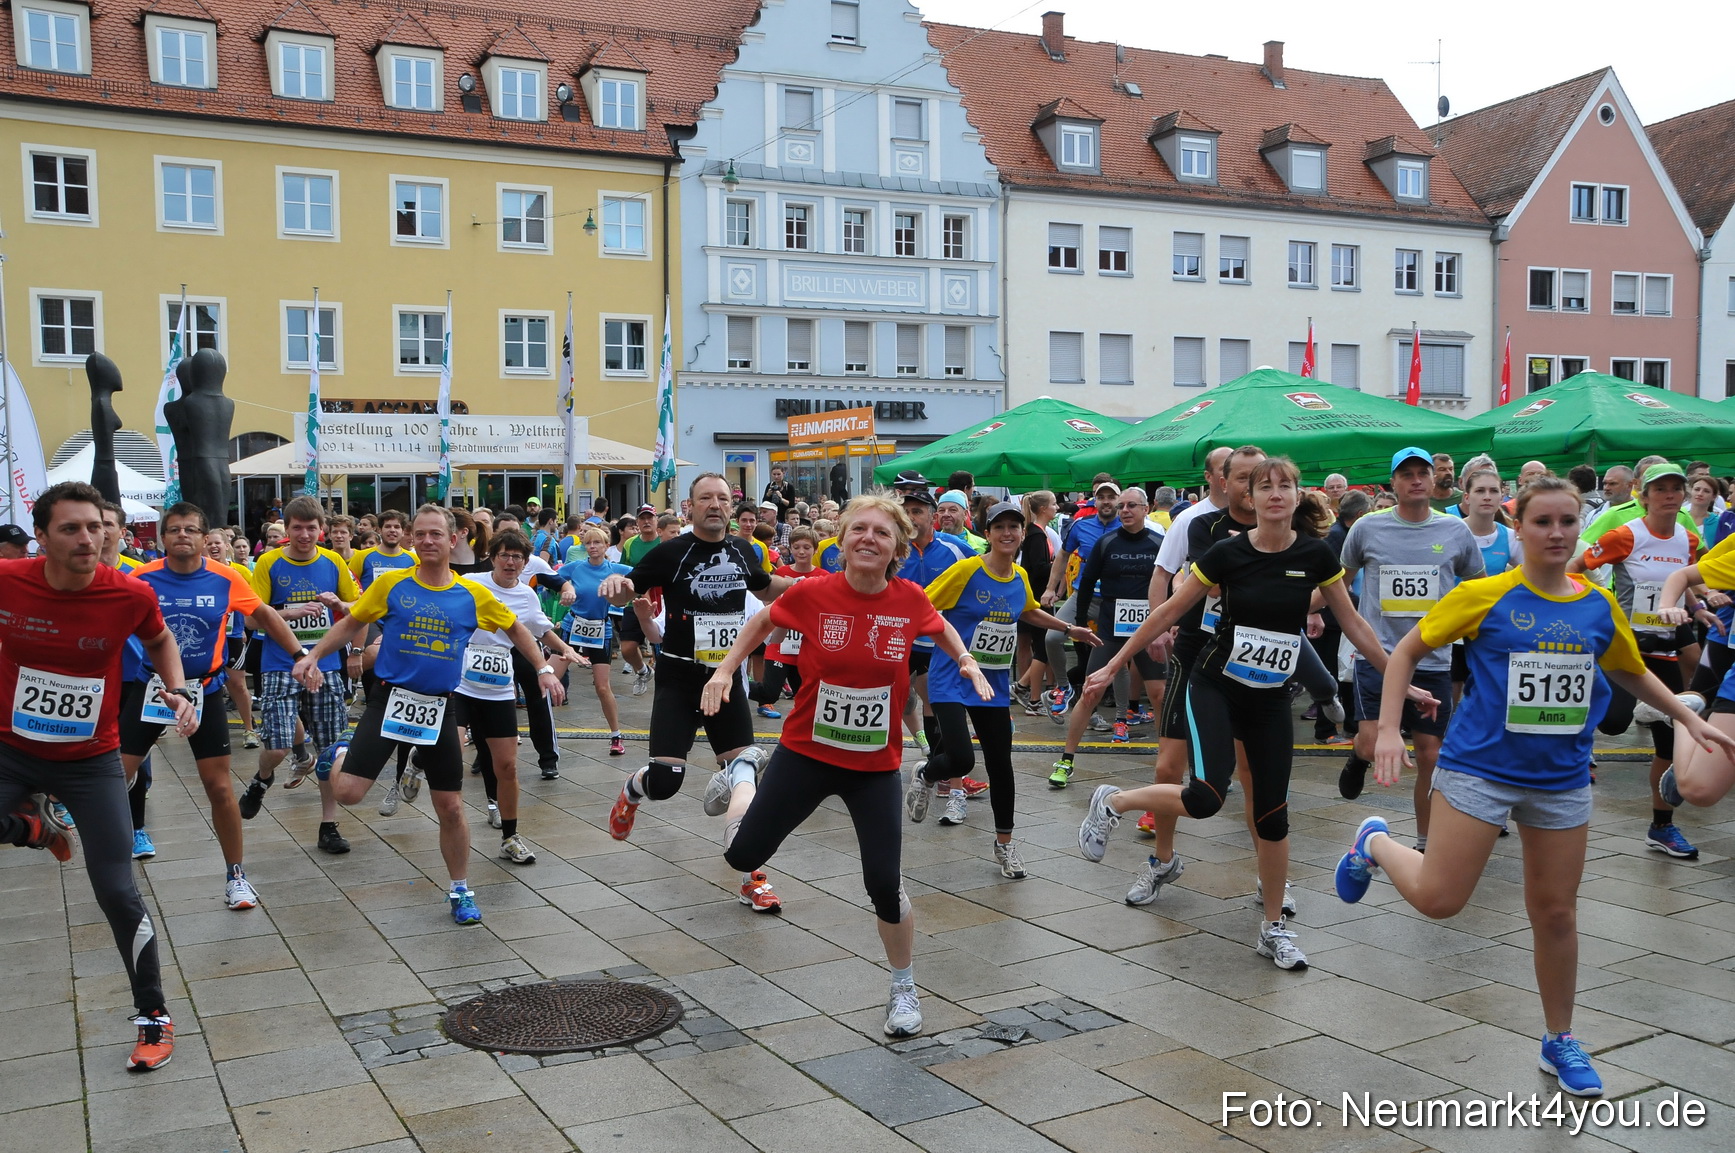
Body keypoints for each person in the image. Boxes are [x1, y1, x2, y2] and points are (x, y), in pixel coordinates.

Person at [1335, 475, 1734, 1097]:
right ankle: (1376, 844)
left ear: (1581, 527)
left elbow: (1630, 672)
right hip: (1478, 771)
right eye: (1542, 522)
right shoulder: (1484, 594)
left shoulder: (1597, 606)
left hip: (1561, 779)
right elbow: (1408, 650)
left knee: (1555, 914)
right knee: (1441, 902)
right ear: (1518, 529)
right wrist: (1389, 729)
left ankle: (1560, 1038)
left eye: (1567, 522)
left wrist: (1689, 716)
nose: (1555, 533)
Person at [1079, 457, 1427, 970]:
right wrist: (1112, 665)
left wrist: (1404, 680)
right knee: (1205, 796)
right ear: (1253, 498)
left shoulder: (1314, 554)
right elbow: (1168, 611)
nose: (1275, 494)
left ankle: (1273, 928)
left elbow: (1354, 625)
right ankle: (1116, 801)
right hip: (1214, 685)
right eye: (1265, 487)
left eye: (1285, 485)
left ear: (1296, 494)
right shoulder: (1225, 552)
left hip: (1270, 698)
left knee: (1273, 815)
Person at [700, 493, 991, 1038]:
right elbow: (763, 621)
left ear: (896, 547)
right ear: (843, 540)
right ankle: (742, 775)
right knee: (742, 857)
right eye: (859, 529)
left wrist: (966, 659)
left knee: (883, 882)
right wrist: (725, 670)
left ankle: (903, 988)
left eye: (882, 533)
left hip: (874, 766)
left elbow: (941, 626)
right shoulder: (814, 592)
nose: (868, 539)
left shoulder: (908, 599)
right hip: (806, 754)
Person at [0, 481, 199, 1070]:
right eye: (71, 528)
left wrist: (179, 689)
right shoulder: (8, 581)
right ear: (41, 537)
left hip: (91, 761)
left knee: (117, 891)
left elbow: (161, 641)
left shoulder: (127, 594)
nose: (89, 537)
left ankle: (154, 1018)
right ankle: (36, 831)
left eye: (96, 526)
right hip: (10, 749)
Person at [296, 505, 565, 923]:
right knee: (348, 793)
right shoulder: (391, 584)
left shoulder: (472, 595)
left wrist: (545, 669)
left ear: (453, 538)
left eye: (435, 534)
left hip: (441, 705)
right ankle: (338, 755)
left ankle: (460, 890)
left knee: (451, 807)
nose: (427, 541)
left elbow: (516, 629)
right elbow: (353, 623)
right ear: (409, 538)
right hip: (390, 697)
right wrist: (313, 655)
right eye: (419, 534)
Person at [597, 473, 797, 911]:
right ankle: (633, 790)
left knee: (745, 770)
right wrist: (618, 587)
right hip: (680, 679)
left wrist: (814, 585)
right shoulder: (672, 551)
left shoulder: (744, 549)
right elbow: (632, 584)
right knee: (667, 783)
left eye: (722, 498)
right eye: (705, 498)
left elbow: (766, 588)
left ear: (732, 506)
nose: (715, 505)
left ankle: (753, 877)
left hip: (724, 680)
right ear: (690, 507)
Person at [122, 503, 303, 908]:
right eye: (173, 530)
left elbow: (267, 616)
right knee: (117, 777)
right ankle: (114, 866)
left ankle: (236, 876)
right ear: (161, 539)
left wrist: (299, 657)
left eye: (190, 529)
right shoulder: (141, 578)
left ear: (206, 538)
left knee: (219, 786)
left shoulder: (226, 577)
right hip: (150, 687)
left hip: (202, 690)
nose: (181, 535)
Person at [909, 501, 1098, 865]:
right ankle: (928, 773)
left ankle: (1005, 844)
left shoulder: (1020, 576)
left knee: (1000, 764)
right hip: (952, 673)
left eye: (1014, 527)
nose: (1007, 533)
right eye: (999, 527)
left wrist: (1066, 627)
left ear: (1023, 534)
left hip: (992, 682)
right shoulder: (966, 570)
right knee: (961, 758)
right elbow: (922, 603)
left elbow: (1027, 609)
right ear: (987, 533)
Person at [1336, 448, 1485, 858]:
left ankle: (1426, 843)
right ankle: (1359, 758)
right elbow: (1340, 584)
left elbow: (1477, 587)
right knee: (1370, 743)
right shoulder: (1367, 528)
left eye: (1423, 473)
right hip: (1377, 656)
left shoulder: (1455, 532)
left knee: (1430, 755)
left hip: (1433, 661)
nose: (1416, 480)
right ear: (1393, 483)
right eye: (1407, 474)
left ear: (1434, 481)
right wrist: (1313, 612)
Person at [1570, 462, 1711, 859]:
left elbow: (1683, 583)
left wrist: (1699, 607)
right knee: (1614, 724)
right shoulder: (1626, 534)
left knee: (1671, 738)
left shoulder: (1687, 537)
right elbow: (1576, 567)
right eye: (1660, 489)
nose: (1670, 495)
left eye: (1675, 488)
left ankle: (1662, 827)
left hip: (1666, 646)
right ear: (1642, 495)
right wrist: (1590, 607)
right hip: (1626, 645)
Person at [239, 497, 361, 853]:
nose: (305, 535)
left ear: (320, 529)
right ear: (285, 529)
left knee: (330, 750)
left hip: (327, 666)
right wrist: (287, 613)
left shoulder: (334, 561)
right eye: (297, 528)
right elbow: (249, 617)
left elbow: (359, 607)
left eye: (311, 528)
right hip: (281, 663)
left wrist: (341, 606)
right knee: (276, 747)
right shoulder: (269, 562)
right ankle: (262, 780)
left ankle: (329, 825)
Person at [457, 529, 585, 863]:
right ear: (493, 557)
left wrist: (567, 650)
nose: (511, 562)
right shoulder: (472, 583)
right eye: (505, 555)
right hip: (461, 682)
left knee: (507, 765)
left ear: (525, 562)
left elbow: (540, 630)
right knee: (451, 746)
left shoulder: (527, 597)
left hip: (498, 685)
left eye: (517, 557)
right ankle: (420, 760)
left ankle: (510, 836)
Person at [1053, 487, 1166, 773]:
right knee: (1091, 690)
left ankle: (1169, 764)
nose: (1125, 510)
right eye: (1121, 506)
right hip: (1110, 628)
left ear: (1145, 509)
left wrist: (1169, 625)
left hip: (1147, 629)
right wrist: (1080, 623)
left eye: (1131, 506)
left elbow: (1172, 585)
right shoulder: (1107, 543)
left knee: (1160, 695)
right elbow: (1087, 583)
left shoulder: (1159, 542)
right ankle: (1066, 760)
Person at [1040, 478, 1123, 719]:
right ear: (1094, 500)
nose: (1106, 502)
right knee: (1052, 637)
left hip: (1113, 602)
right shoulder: (1081, 525)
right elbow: (1062, 556)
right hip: (1081, 597)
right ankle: (1064, 687)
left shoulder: (1127, 526)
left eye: (1111, 497)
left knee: (1117, 658)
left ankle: (1122, 717)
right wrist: (1050, 588)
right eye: (1101, 497)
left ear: (1118, 500)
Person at [556, 526, 634, 756]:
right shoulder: (576, 567)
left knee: (602, 687)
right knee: (549, 677)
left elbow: (640, 576)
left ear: (606, 545)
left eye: (597, 543)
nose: (592, 547)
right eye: (588, 543)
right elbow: (551, 578)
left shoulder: (615, 568)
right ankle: (540, 732)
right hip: (573, 626)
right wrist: (565, 590)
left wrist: (624, 582)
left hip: (600, 629)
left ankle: (616, 735)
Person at [748, 526, 819, 712]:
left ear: (815, 549)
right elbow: (768, 604)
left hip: (806, 647)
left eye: (806, 547)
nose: (801, 552)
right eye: (796, 547)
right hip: (781, 644)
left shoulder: (823, 577)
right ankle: (736, 685)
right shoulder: (781, 574)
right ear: (790, 548)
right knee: (769, 693)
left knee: (805, 696)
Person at [206, 528, 259, 747]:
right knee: (206, 684)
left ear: (227, 546)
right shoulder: (201, 572)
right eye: (209, 544)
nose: (214, 547)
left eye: (217, 543)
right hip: (208, 637)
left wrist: (247, 633)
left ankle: (249, 729)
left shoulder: (241, 572)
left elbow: (254, 606)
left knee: (237, 684)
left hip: (232, 636)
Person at [1012, 491, 1061, 713]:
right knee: (1042, 648)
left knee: (1042, 647)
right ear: (1043, 509)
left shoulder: (1037, 534)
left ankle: (1024, 688)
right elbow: (1038, 568)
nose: (1057, 507)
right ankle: (1031, 697)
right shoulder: (1036, 535)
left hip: (1037, 597)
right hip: (1038, 598)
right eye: (1054, 504)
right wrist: (1061, 566)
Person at [617, 506, 663, 694]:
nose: (646, 521)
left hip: (660, 602)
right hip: (634, 601)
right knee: (627, 648)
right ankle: (643, 671)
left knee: (661, 649)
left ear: (656, 521)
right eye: (642, 518)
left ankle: (666, 688)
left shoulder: (664, 542)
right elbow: (625, 572)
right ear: (637, 522)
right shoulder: (630, 544)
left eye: (650, 518)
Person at [349, 509, 416, 589]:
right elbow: (349, 588)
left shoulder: (414, 560)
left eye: (397, 527)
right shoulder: (361, 557)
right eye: (388, 526)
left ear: (402, 532)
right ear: (380, 530)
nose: (392, 530)